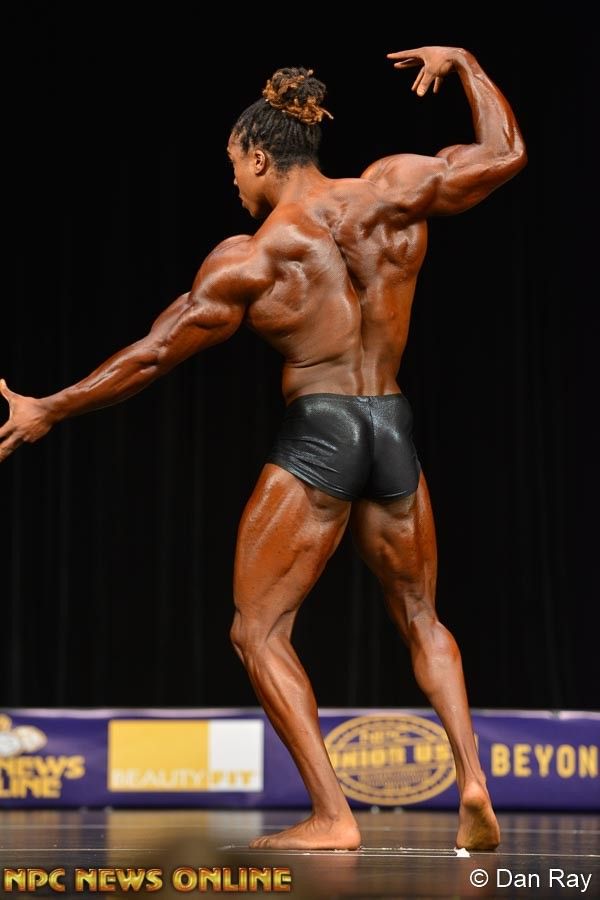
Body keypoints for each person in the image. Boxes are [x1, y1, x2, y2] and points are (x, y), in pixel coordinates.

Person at [0, 46, 526, 851]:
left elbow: (152, 356)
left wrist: (51, 407)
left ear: (257, 157)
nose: (234, 184)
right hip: (392, 424)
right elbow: (504, 154)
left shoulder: (252, 256)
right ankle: (472, 778)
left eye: (232, 168)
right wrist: (465, 66)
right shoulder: (393, 191)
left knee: (258, 630)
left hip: (322, 432)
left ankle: (333, 816)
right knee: (422, 616)